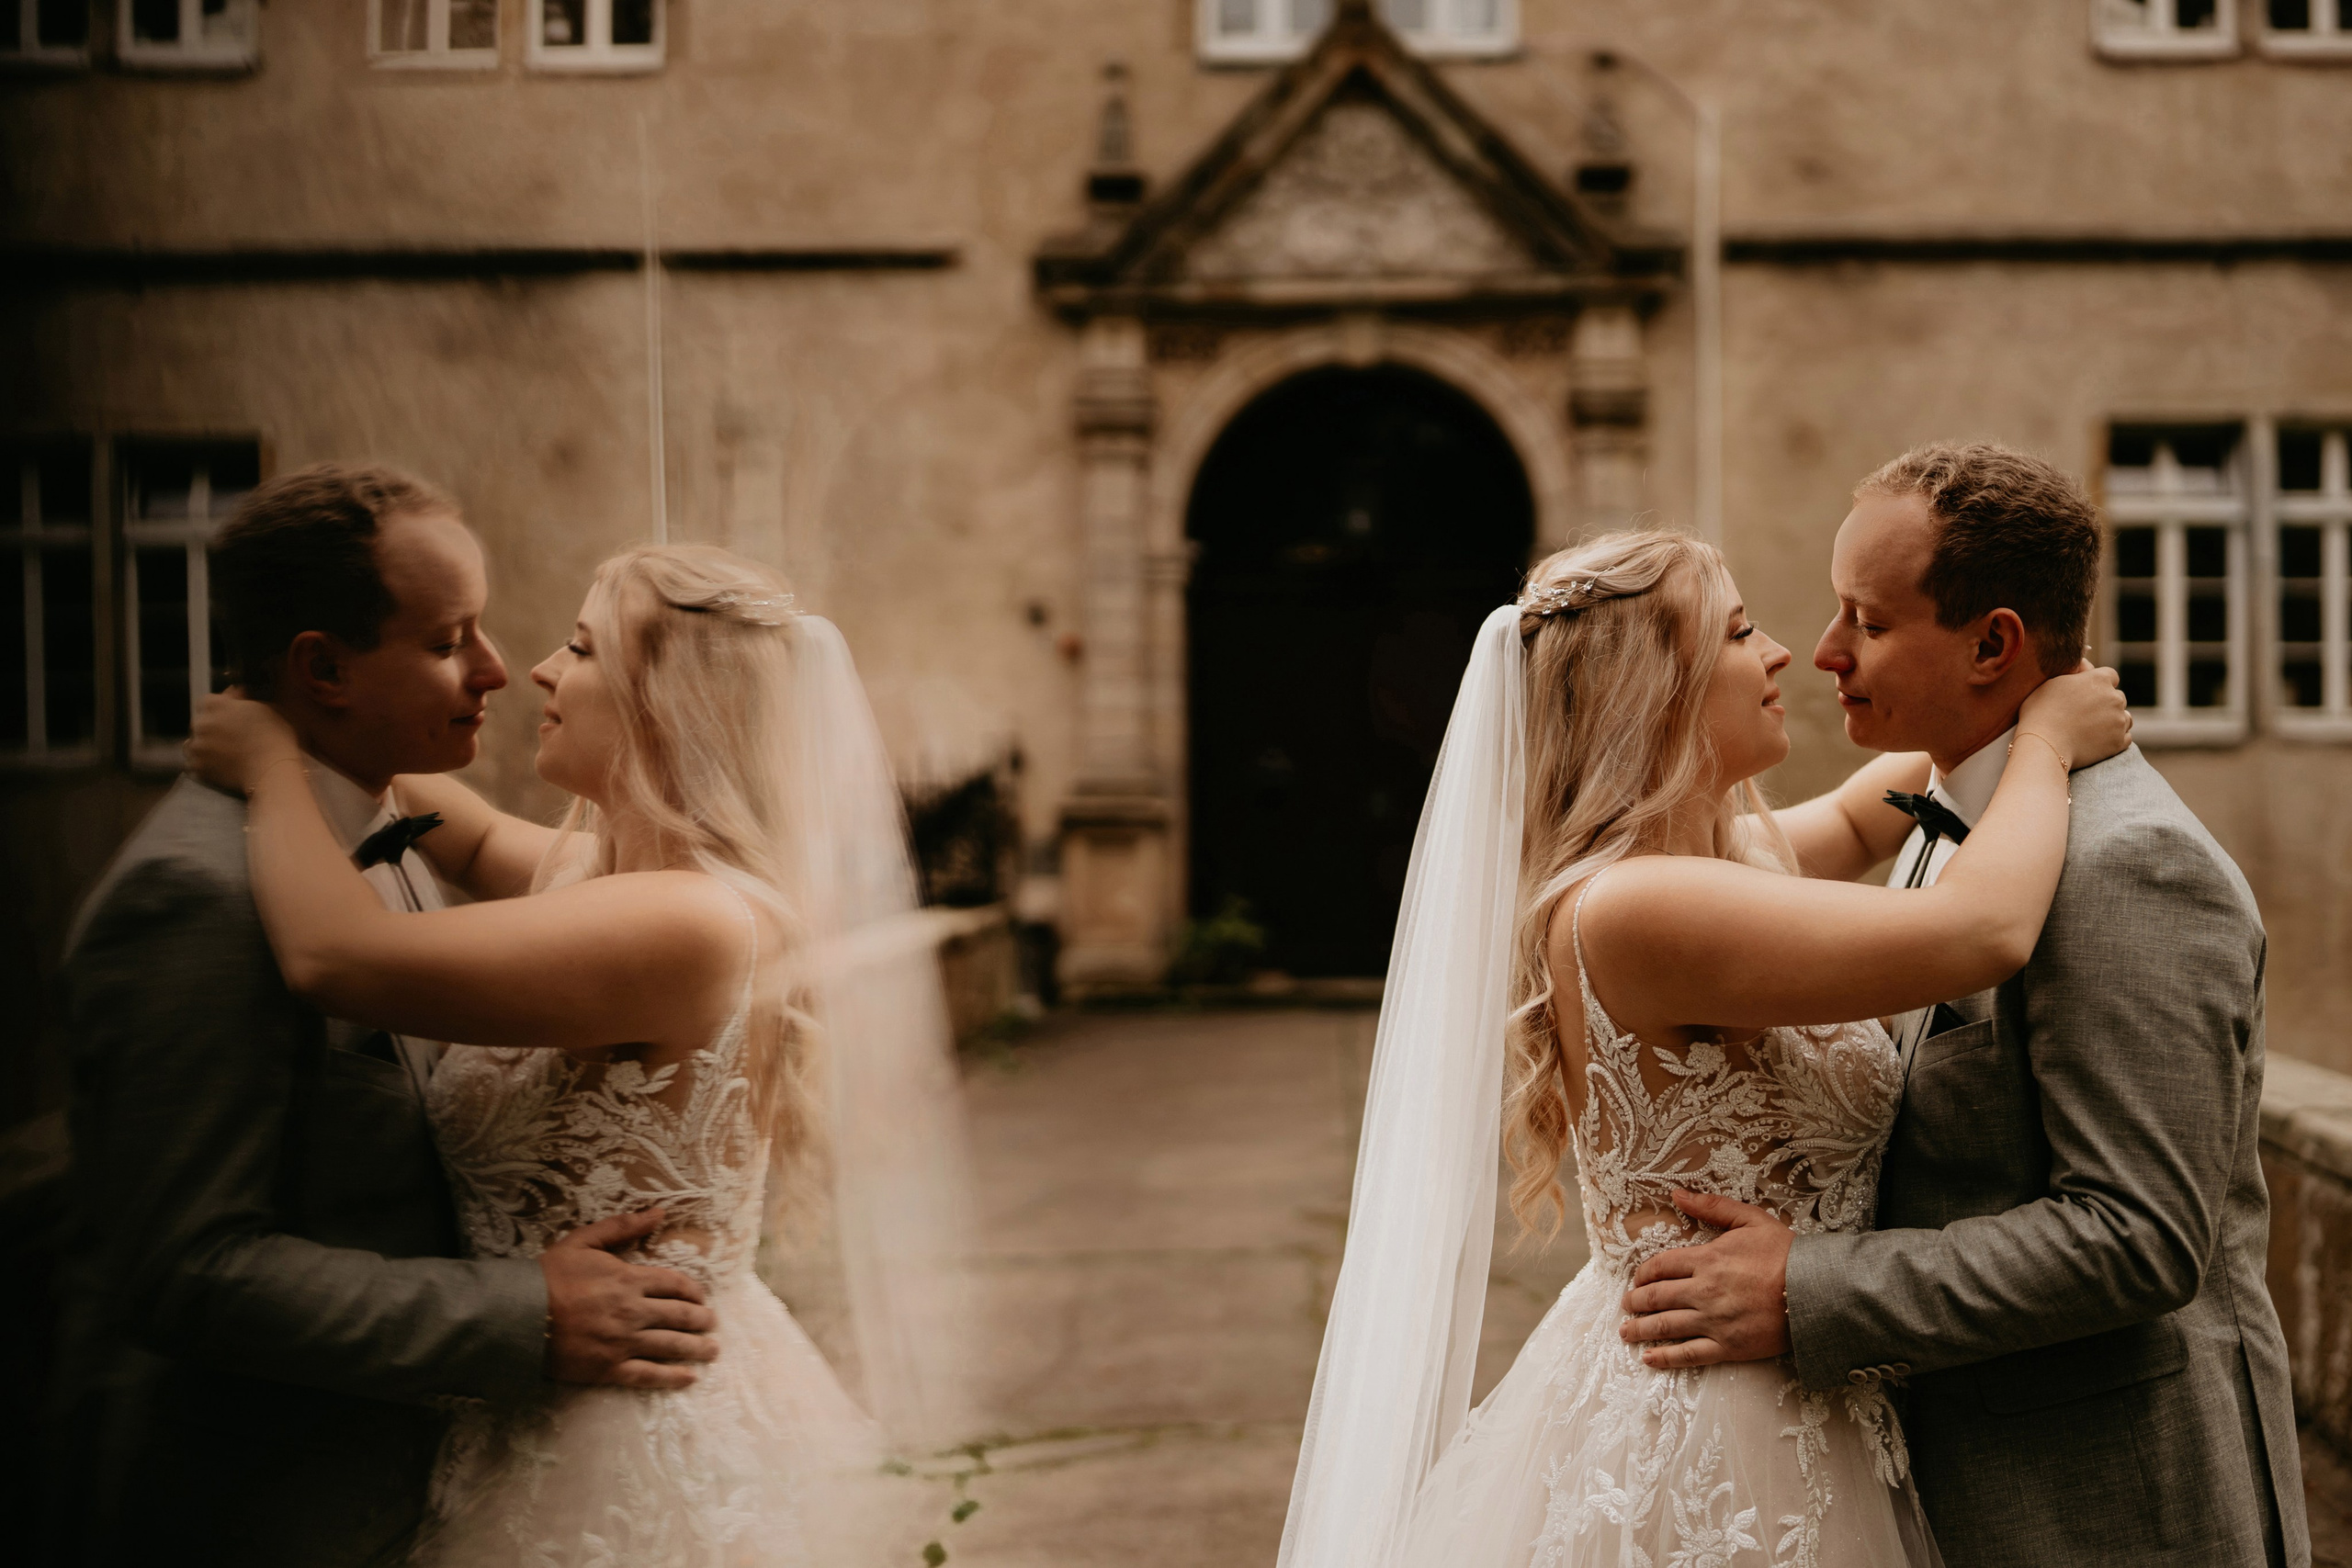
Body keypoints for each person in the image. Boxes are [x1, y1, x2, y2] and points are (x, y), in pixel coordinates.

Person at [1277, 525, 2135, 1568]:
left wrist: (1996, 695)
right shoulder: (1644, 908)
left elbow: (1871, 819)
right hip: (1726, 1428)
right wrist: (2044, 744)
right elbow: (1981, 934)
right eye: (1738, 633)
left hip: (1790, 1374)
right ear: (1657, 689)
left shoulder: (1714, 858)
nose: (1781, 654)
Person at [187, 541, 977, 1567]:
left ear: (668, 703)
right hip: (555, 1397)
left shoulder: (689, 923)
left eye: (580, 647)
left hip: (634, 1446)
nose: (542, 672)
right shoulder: (613, 876)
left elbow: (337, 956)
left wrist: (265, 766)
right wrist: (335, 715)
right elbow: (454, 830)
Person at [1619, 443, 2308, 1566]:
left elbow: (2138, 1239)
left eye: (1869, 622)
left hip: (2109, 1509)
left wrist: (1809, 1286)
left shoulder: (2130, 867)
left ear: (1993, 643)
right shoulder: (1947, 811)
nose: (1826, 652)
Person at [49, 465, 717, 1568]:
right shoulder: (194, 895)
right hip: (283, 1512)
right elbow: (181, 1271)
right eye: (451, 638)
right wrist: (525, 1315)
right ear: (322, 667)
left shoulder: (379, 818)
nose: (499, 669)